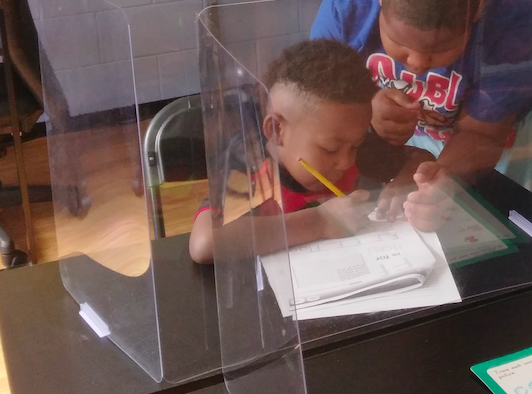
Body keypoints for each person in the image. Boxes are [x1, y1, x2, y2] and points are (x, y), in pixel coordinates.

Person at [310, 0, 532, 216]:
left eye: (442, 49)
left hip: (513, 129)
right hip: (418, 132)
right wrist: (367, 105)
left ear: (478, 10)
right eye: (399, 43)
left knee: (511, 225)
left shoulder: (511, 17)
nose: (418, 65)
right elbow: (321, 91)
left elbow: (482, 134)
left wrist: (438, 179)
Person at [189, 39, 443, 264]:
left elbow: (418, 158)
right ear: (277, 130)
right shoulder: (249, 171)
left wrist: (410, 180)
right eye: (329, 149)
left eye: (355, 145)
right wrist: (320, 222)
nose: (346, 161)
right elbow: (204, 243)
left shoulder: (354, 146)